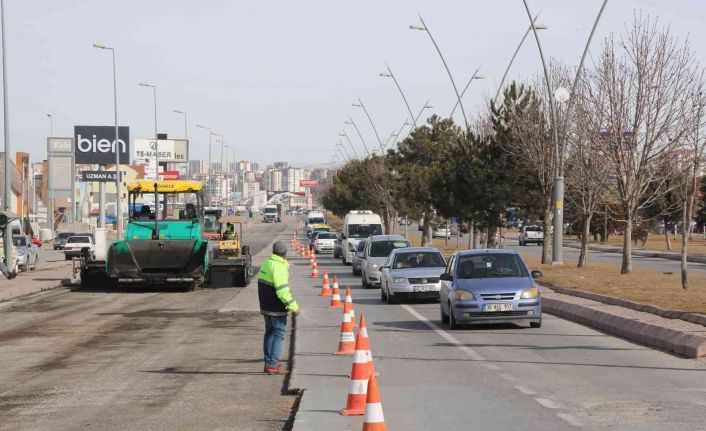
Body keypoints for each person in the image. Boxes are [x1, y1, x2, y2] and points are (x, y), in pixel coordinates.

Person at [257, 240, 300, 374]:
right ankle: (273, 365)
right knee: (279, 335)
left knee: (269, 333)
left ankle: (268, 364)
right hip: (276, 308)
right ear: (284, 254)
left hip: (265, 306)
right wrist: (294, 307)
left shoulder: (267, 263)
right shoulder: (279, 266)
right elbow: (282, 291)